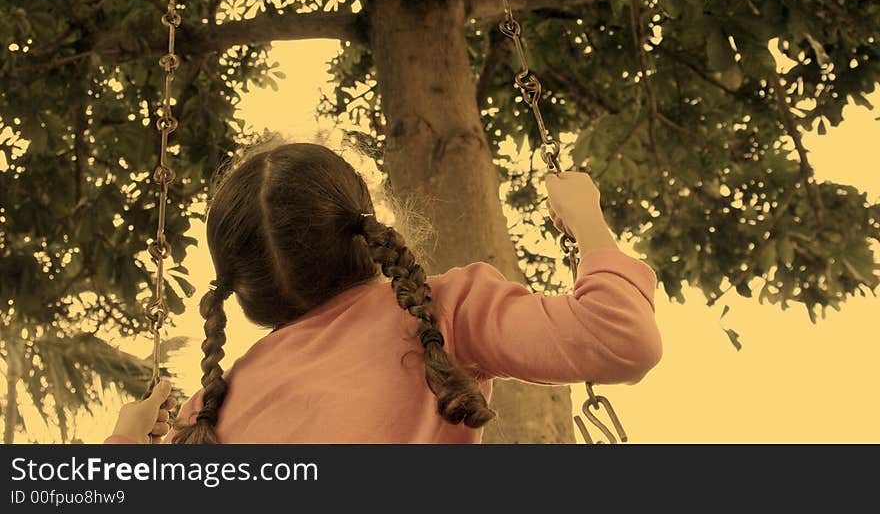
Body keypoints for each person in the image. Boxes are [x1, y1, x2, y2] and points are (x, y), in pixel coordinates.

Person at [105, 140, 662, 444]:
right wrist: (586, 222)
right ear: (361, 231)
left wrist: (125, 440)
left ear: (240, 291)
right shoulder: (441, 312)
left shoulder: (208, 413)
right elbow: (622, 338)